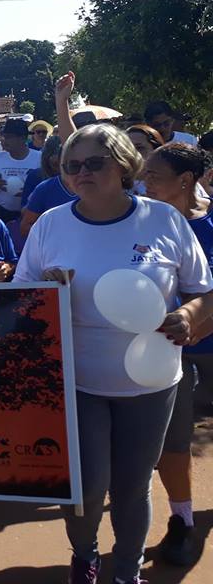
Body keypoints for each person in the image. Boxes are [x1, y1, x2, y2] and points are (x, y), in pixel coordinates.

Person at [13, 124, 213, 584]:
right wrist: (47, 291)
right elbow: (20, 299)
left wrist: (188, 315)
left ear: (124, 165)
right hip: (77, 380)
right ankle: (85, 556)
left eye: (95, 162)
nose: (82, 172)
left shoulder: (164, 220)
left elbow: (205, 293)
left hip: (152, 381)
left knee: (133, 485)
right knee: (86, 486)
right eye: (72, 165)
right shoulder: (50, 224)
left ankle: (126, 571)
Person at [142, 143, 213, 565]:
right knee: (175, 441)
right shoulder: (140, 225)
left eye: (153, 175)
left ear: (184, 182)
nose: (143, 182)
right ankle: (182, 521)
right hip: (172, 355)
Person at [0, 118, 42, 223]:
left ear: (23, 138)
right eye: (3, 136)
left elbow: (47, 186)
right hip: (2, 214)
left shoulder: (39, 158)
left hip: (31, 215)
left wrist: (29, 192)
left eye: (9, 137)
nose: (4, 140)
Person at [20, 136, 77, 240]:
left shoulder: (83, 184)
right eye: (55, 165)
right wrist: (34, 200)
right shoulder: (38, 179)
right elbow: (24, 222)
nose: (58, 169)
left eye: (62, 165)